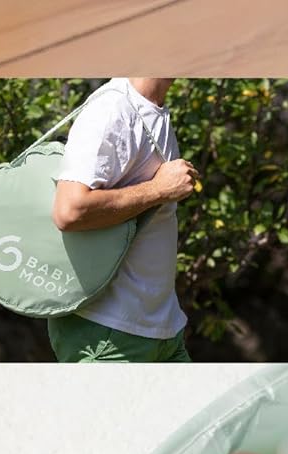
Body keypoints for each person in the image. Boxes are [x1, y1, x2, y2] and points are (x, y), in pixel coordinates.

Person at [48, 77, 197, 363]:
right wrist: (158, 189)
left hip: (161, 330)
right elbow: (70, 210)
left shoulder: (152, 108)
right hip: (107, 334)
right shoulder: (112, 109)